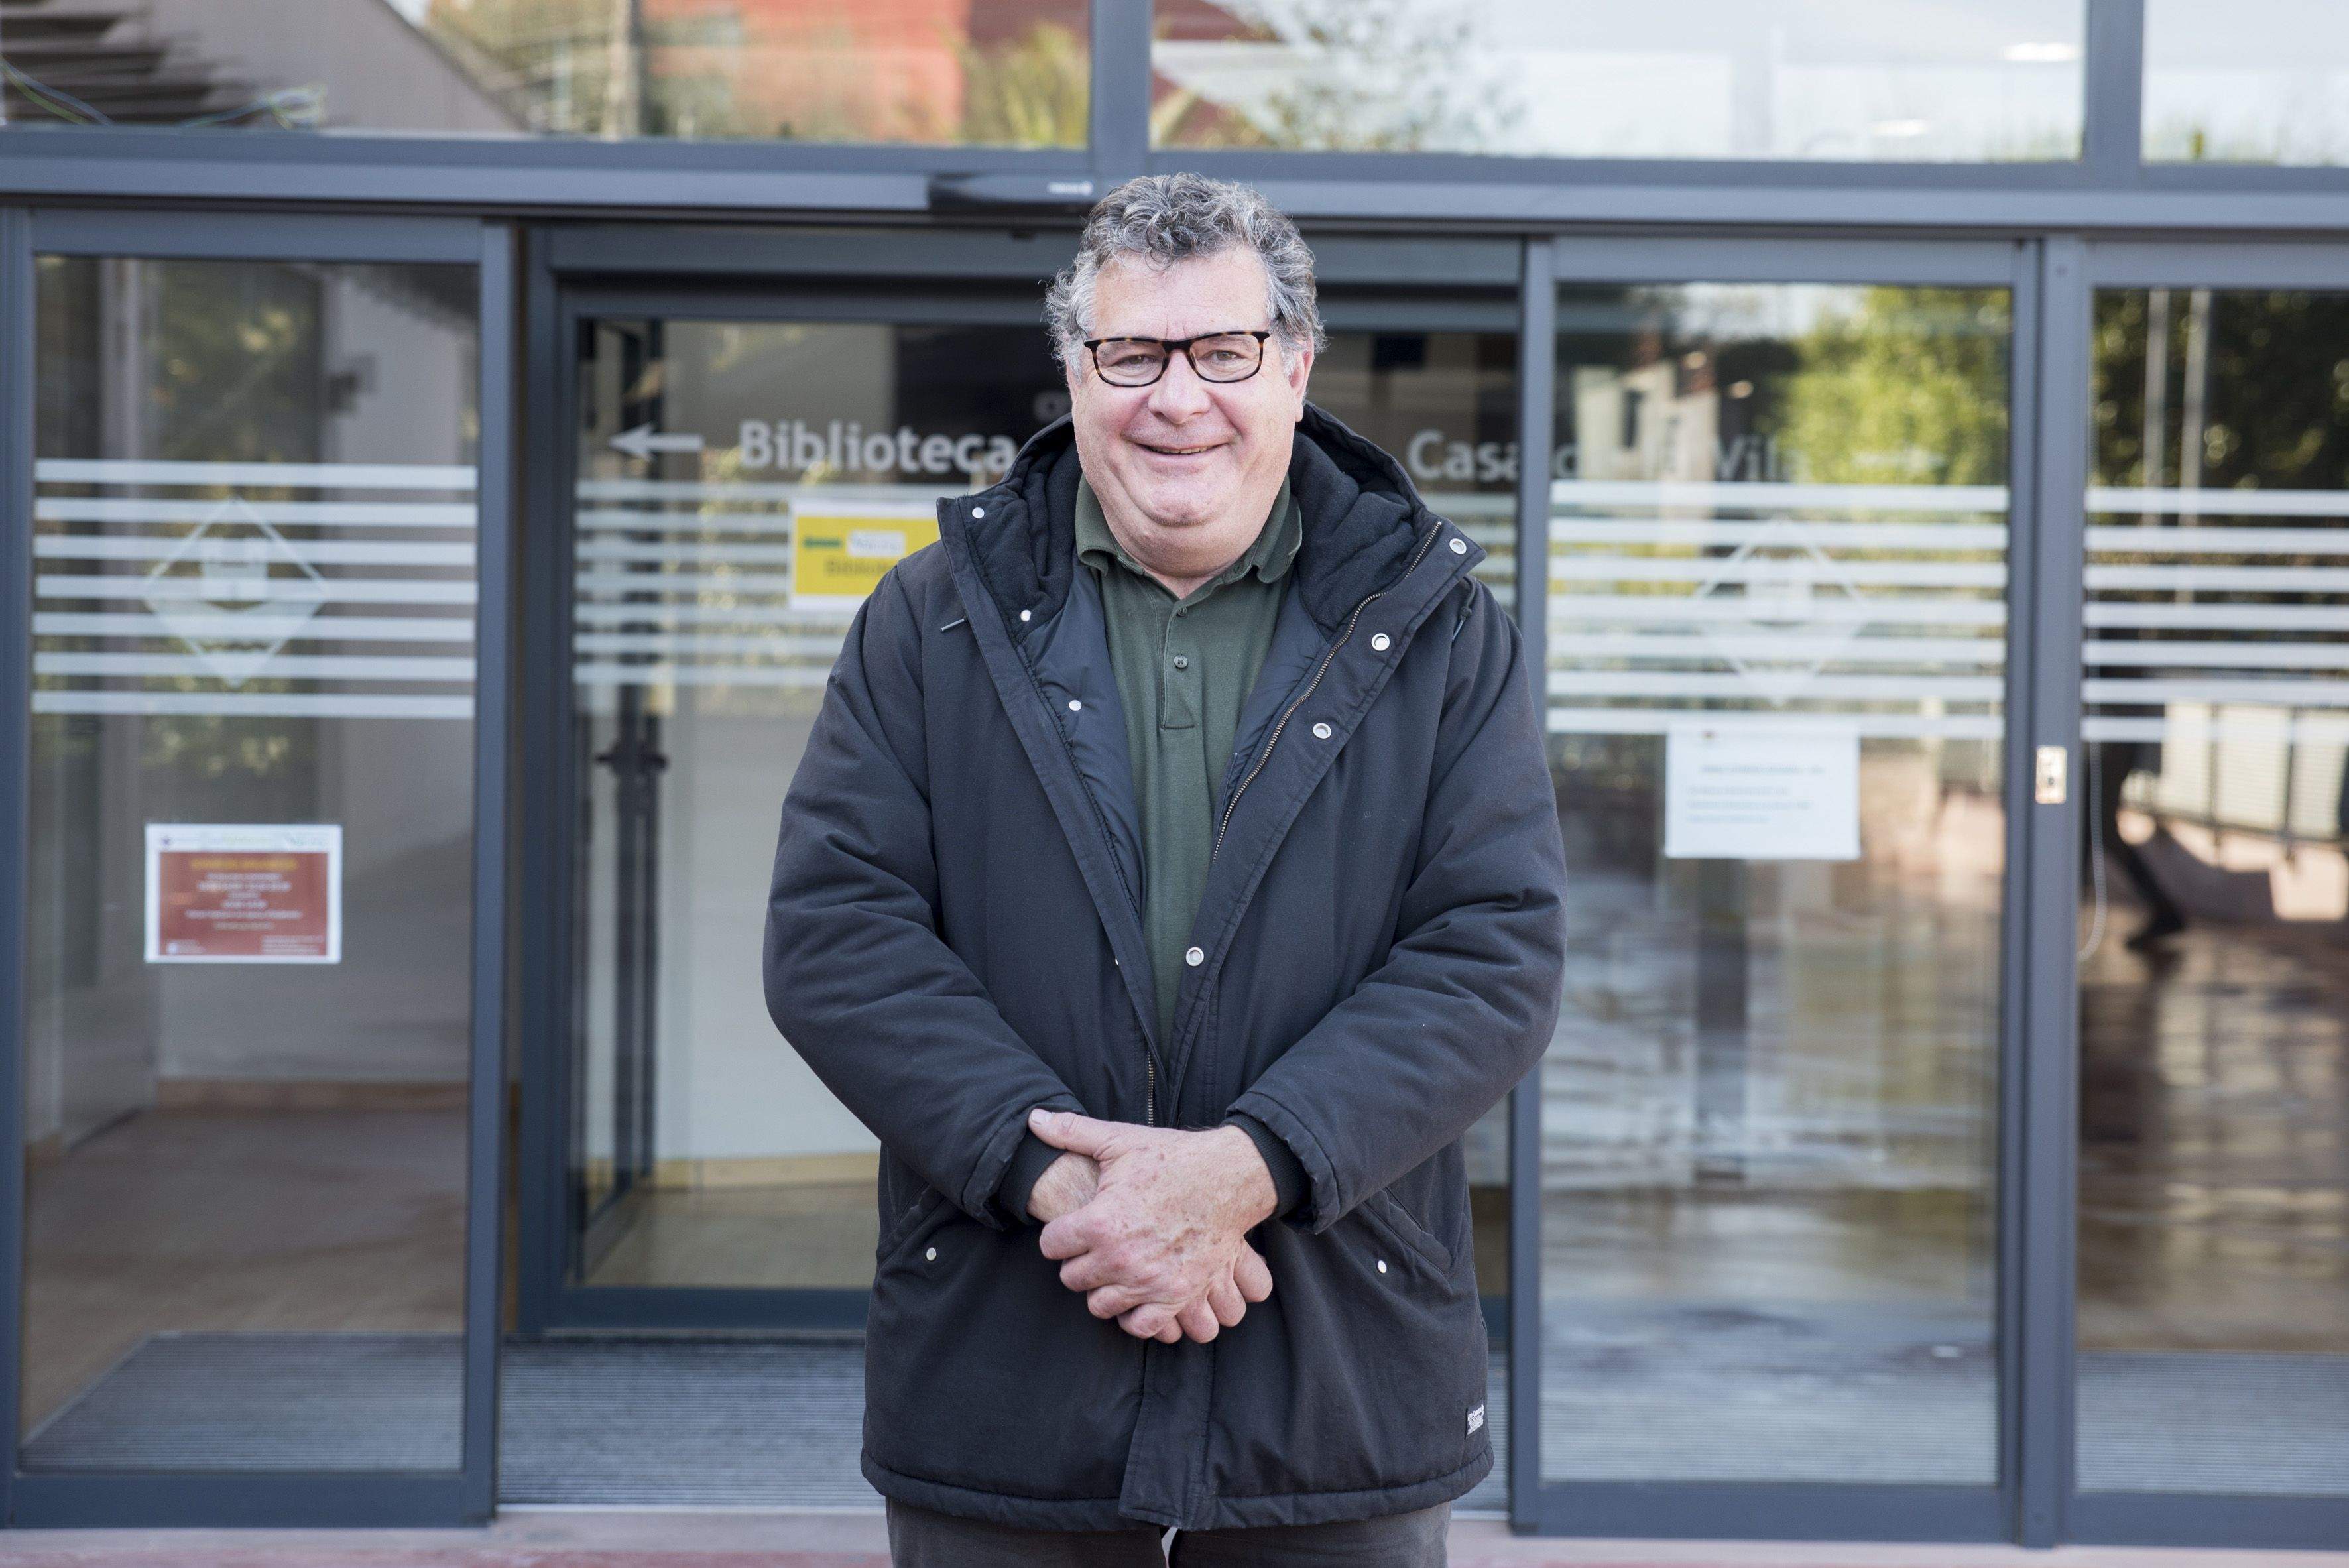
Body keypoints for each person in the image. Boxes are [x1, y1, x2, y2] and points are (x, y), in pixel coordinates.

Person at [762, 172, 1569, 1567]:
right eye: (1128, 352)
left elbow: (1490, 951)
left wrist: (1252, 1167)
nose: (1173, 397)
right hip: (1007, 1382)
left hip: (1332, 1386)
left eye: (1221, 351)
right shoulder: (928, 617)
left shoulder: (1435, 627)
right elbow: (839, 934)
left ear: (1296, 363)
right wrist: (1077, 1191)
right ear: (1073, 369)